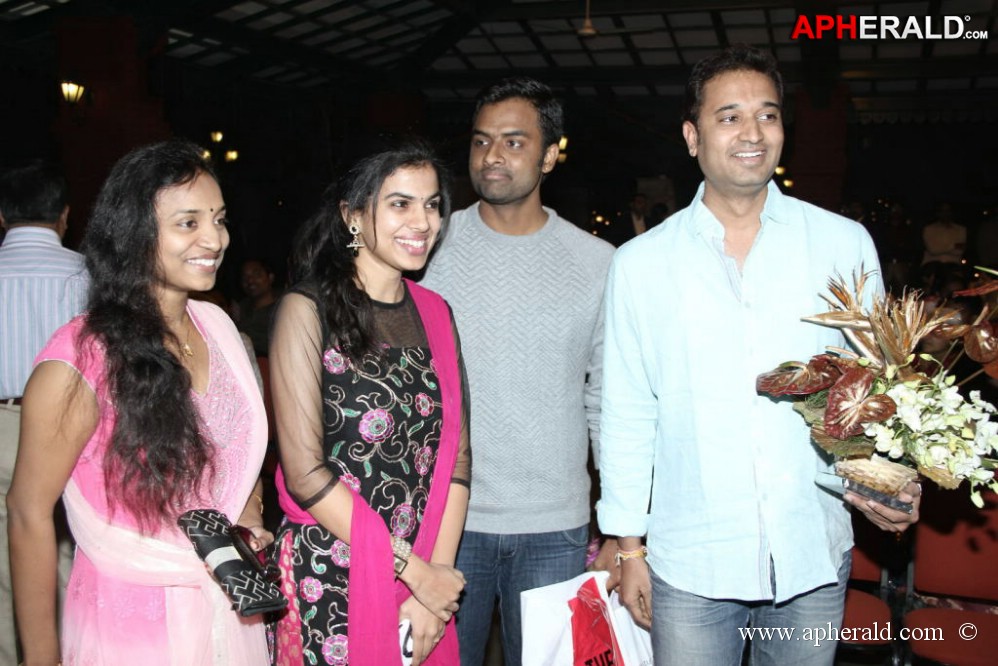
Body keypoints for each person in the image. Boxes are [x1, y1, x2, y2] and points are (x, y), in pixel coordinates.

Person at [596, 45, 921, 666]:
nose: (752, 133)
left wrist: (899, 476)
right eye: (729, 117)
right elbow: (628, 410)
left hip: (810, 549)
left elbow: (881, 386)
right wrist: (629, 545)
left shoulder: (841, 244)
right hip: (691, 559)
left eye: (767, 115)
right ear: (692, 136)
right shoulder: (641, 264)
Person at [7, 140, 271, 665]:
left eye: (219, 219)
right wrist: (41, 659)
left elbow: (238, 455)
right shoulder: (81, 359)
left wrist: (247, 512)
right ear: (133, 232)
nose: (215, 239)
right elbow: (27, 513)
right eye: (189, 223)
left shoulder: (219, 329)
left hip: (228, 610)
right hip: (128, 627)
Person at [420, 77, 615, 666]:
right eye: (481, 141)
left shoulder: (598, 262)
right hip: (446, 520)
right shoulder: (427, 249)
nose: (492, 156)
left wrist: (621, 528)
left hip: (555, 523)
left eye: (513, 142)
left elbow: (606, 401)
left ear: (550, 155)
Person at [270, 138, 469, 666]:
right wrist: (414, 570)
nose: (423, 222)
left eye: (432, 205)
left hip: (422, 562)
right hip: (330, 569)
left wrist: (434, 585)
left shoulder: (436, 314)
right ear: (353, 215)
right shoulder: (307, 311)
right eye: (400, 204)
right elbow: (305, 474)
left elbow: (457, 460)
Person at [0, 161, 88, 665]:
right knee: (70, 549)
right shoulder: (86, 274)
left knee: (7, 559)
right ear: (64, 215)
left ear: (2, 215)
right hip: (71, 424)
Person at [237, 258, 280, 357]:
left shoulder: (282, 309)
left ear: (270, 277)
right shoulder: (241, 308)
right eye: (245, 277)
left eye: (256, 275)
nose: (250, 280)